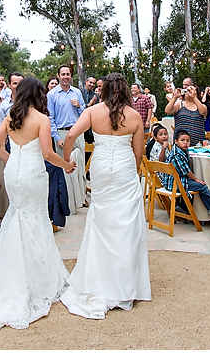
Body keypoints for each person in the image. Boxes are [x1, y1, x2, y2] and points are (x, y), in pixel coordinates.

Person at [0, 77, 74, 330]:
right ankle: (39, 278)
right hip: (32, 174)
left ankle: (17, 269)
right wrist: (67, 165)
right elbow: (48, 154)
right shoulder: (41, 119)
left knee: (19, 216)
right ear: (38, 94)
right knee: (36, 217)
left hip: (15, 172)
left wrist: (12, 159)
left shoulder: (10, 118)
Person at [60, 72, 151, 318]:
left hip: (100, 167)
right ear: (124, 90)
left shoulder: (92, 112)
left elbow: (70, 135)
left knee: (101, 220)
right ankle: (124, 282)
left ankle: (97, 275)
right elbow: (139, 154)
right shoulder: (134, 116)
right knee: (126, 224)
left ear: (104, 90)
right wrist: (132, 171)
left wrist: (67, 161)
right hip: (124, 169)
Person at [161, 129, 210, 216]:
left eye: (188, 141)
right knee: (201, 186)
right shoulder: (177, 154)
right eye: (182, 140)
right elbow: (186, 171)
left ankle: (183, 207)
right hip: (175, 183)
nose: (185, 143)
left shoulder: (181, 150)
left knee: (193, 184)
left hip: (178, 180)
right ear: (176, 141)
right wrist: (196, 179)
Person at [48, 65, 86, 153]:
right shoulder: (51, 94)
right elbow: (50, 118)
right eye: (63, 74)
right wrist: (56, 138)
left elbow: (85, 115)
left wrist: (79, 106)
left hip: (77, 132)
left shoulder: (77, 92)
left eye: (68, 74)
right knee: (64, 164)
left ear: (71, 75)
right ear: (58, 76)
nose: (66, 77)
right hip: (62, 133)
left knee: (80, 163)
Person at [164, 79, 206, 146]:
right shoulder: (179, 104)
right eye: (187, 91)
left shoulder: (201, 106)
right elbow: (168, 111)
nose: (188, 93)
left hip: (198, 144)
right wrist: (175, 97)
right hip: (181, 144)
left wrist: (194, 97)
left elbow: (203, 112)